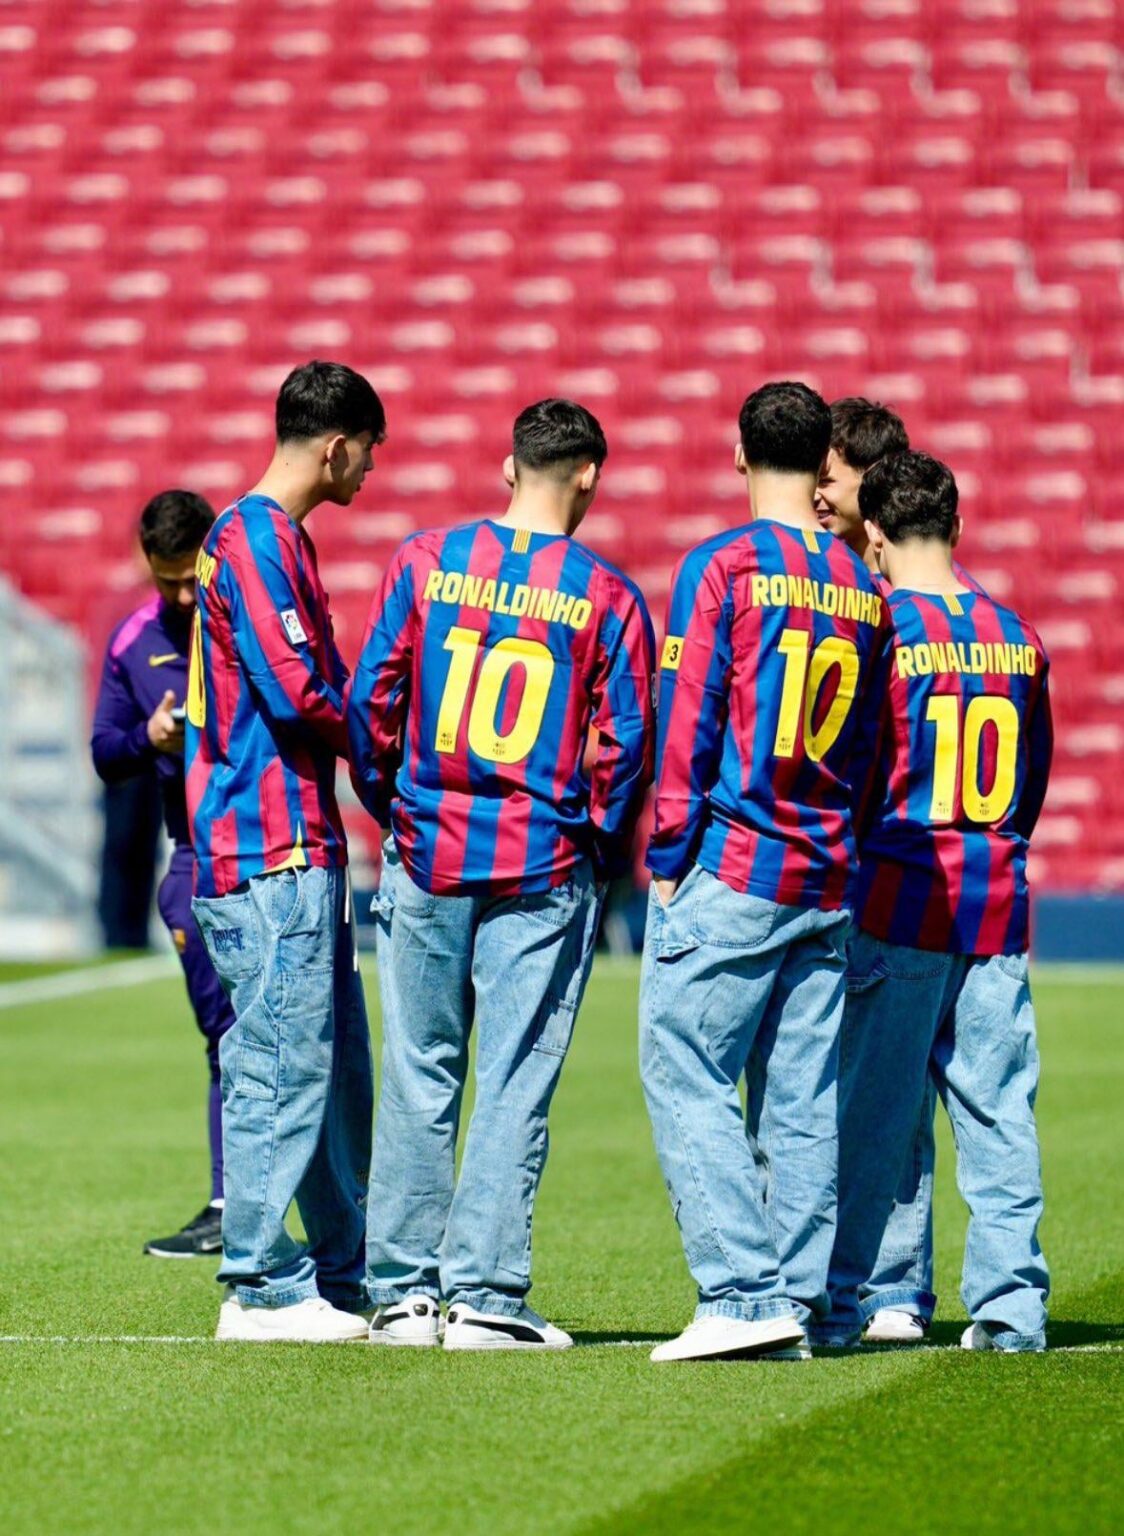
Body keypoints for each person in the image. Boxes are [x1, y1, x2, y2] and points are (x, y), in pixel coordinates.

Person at [348, 398, 655, 1351]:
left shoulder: (426, 560)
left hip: (429, 848)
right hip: (539, 859)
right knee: (515, 1078)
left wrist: (396, 806)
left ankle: (402, 1295)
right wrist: (595, 841)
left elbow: (371, 701)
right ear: (589, 476)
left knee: (418, 1069)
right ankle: (483, 1295)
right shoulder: (607, 595)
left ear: (509, 467)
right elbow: (628, 744)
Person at [640, 381, 889, 1363]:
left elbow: (689, 714)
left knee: (683, 1066)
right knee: (800, 1100)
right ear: (824, 461)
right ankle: (800, 1301)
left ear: (739, 453)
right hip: (825, 869)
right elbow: (872, 745)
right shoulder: (860, 584)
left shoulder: (725, 566)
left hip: (737, 859)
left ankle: (742, 1297)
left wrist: (667, 853)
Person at [824, 450, 1052, 1353]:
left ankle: (851, 1298)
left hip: (901, 898)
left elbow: (859, 771)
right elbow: (1031, 780)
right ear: (956, 526)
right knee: (999, 1113)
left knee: (873, 1118)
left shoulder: (881, 629)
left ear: (874, 534)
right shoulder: (1018, 635)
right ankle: (1013, 1309)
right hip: (995, 902)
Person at [186, 359, 383, 1342]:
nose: (370, 473)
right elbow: (298, 688)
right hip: (269, 846)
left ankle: (341, 1275)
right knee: (279, 1062)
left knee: (332, 1071)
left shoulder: (270, 537)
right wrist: (390, 747)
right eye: (368, 454)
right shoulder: (256, 538)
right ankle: (261, 1284)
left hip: (296, 841)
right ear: (336, 446)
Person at [91, 490, 236, 1257]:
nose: (183, 596)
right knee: (225, 1038)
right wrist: (149, 737)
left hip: (273, 847)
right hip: (193, 855)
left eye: (192, 578)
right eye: (167, 580)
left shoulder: (247, 620)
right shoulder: (132, 643)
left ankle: (344, 1202)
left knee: (312, 1038)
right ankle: (228, 1203)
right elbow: (105, 753)